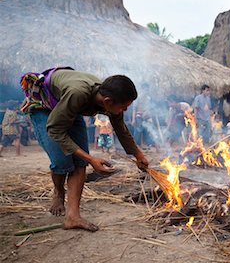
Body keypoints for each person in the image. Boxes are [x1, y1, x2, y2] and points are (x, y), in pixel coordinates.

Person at [20, 68, 149, 231]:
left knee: (80, 163)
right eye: (124, 107)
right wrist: (91, 159)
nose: (125, 111)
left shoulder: (109, 100)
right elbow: (55, 129)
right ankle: (59, 192)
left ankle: (72, 217)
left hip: (69, 109)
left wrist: (138, 155)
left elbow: (121, 128)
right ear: (108, 101)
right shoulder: (78, 94)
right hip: (44, 108)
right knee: (61, 161)